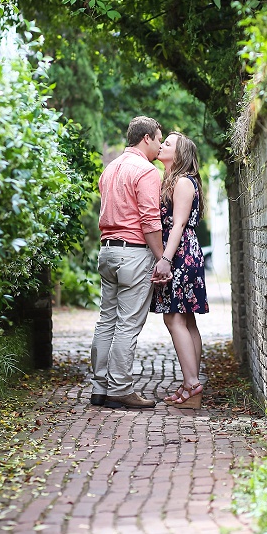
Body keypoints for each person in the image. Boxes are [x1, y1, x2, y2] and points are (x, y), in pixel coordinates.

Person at [89, 116, 172, 409]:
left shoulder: (110, 169)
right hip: (134, 253)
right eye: (159, 139)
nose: (160, 146)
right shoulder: (146, 172)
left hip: (107, 252)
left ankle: (99, 388)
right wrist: (163, 257)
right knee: (127, 324)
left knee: (106, 320)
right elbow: (150, 221)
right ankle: (120, 388)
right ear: (146, 138)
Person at [150, 131, 209, 408]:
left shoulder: (183, 182)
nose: (161, 146)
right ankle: (190, 385)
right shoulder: (173, 181)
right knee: (186, 320)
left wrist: (165, 259)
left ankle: (192, 385)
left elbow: (178, 225)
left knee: (174, 319)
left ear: (181, 154)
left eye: (168, 144)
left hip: (181, 253)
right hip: (183, 251)